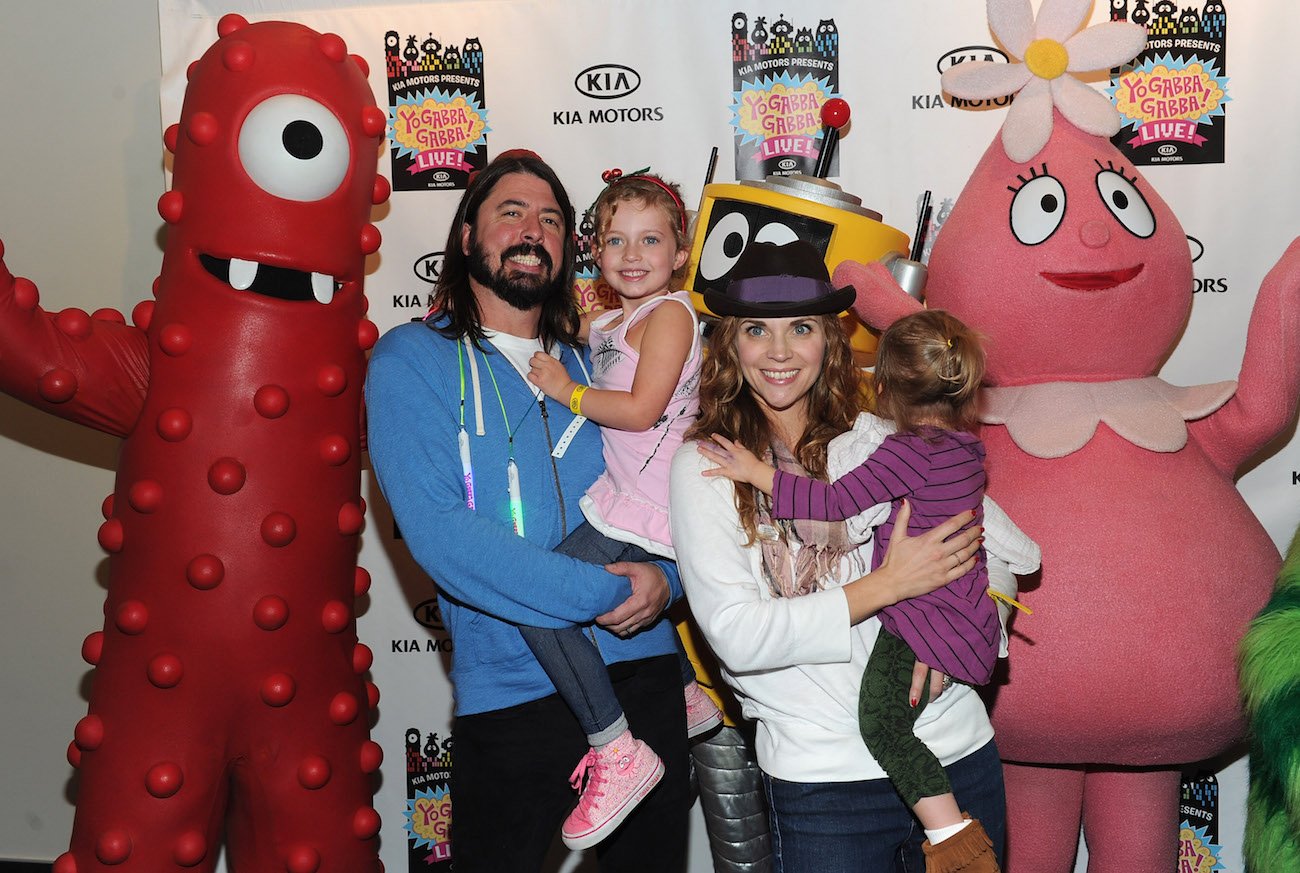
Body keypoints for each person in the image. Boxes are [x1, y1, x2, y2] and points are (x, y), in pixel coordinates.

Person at [365, 150, 689, 871]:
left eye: (549, 219)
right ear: (465, 236)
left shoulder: (602, 367)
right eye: (510, 212)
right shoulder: (407, 359)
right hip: (513, 688)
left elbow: (672, 489)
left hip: (644, 676)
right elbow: (442, 535)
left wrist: (670, 584)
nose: (531, 229)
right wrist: (609, 591)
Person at [669, 240, 1025, 873]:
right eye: (757, 330)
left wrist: (961, 636)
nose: (779, 353)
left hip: (954, 750)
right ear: (729, 344)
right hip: (822, 784)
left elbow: (997, 552)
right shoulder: (708, 466)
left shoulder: (888, 434)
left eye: (801, 328)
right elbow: (738, 637)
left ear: (831, 341)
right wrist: (888, 585)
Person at [519, 169, 721, 849]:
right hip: (625, 502)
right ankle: (688, 690)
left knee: (539, 601)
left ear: (680, 252)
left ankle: (616, 746)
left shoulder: (670, 315)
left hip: (652, 506)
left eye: (651, 240)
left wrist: (565, 391)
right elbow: (569, 322)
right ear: (596, 252)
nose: (633, 255)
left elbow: (639, 410)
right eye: (616, 240)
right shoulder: (613, 316)